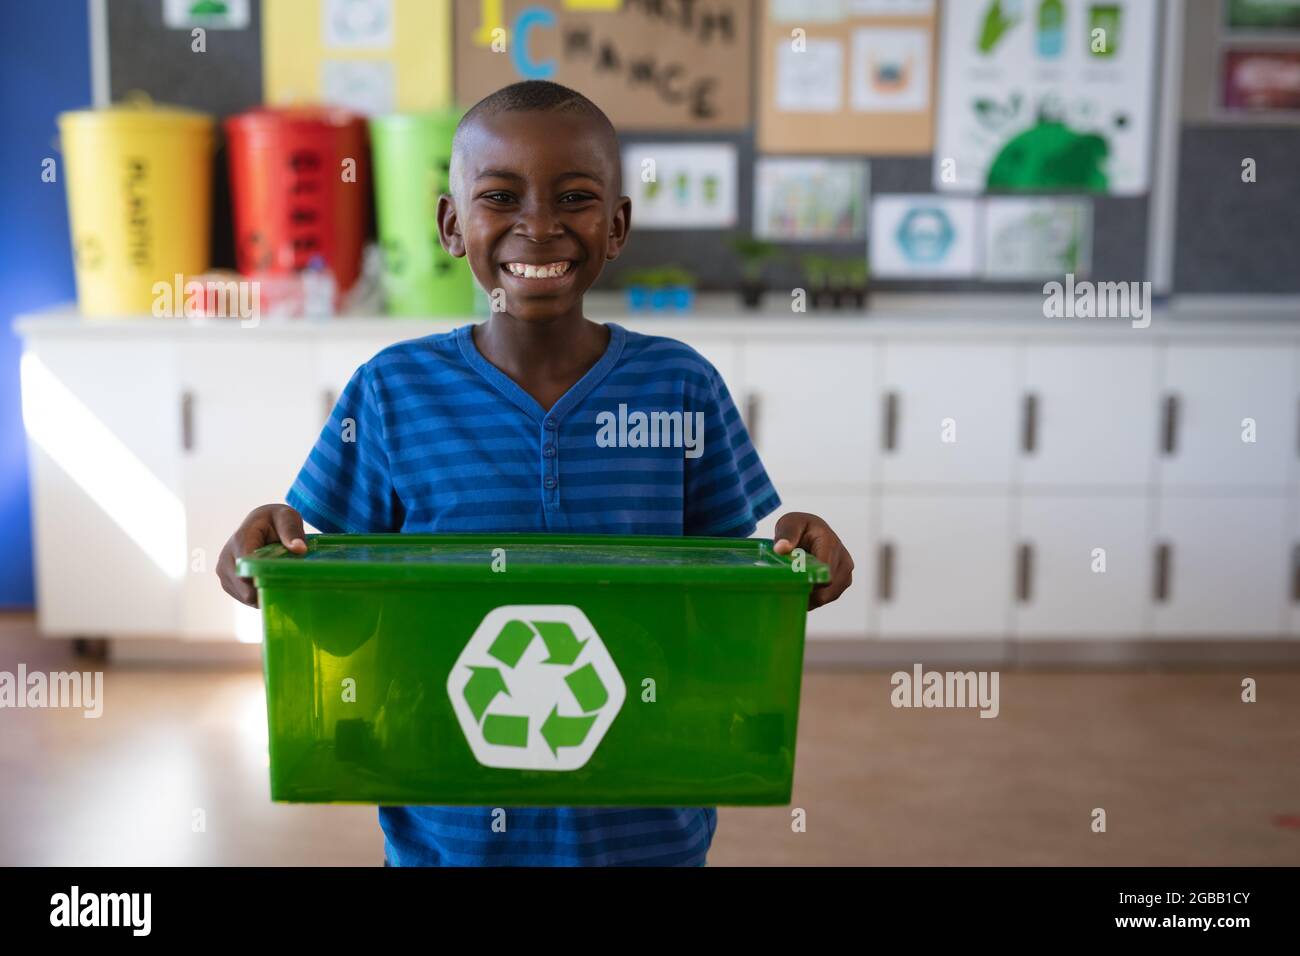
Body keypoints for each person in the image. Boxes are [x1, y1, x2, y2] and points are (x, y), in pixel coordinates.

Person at [217, 80, 853, 866]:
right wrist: (272, 566)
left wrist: (792, 564)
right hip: (452, 834)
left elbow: (717, 615)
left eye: (576, 197)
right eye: (501, 196)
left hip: (641, 830)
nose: (540, 226)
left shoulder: (680, 387)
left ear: (617, 226)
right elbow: (351, 622)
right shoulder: (392, 392)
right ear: (453, 225)